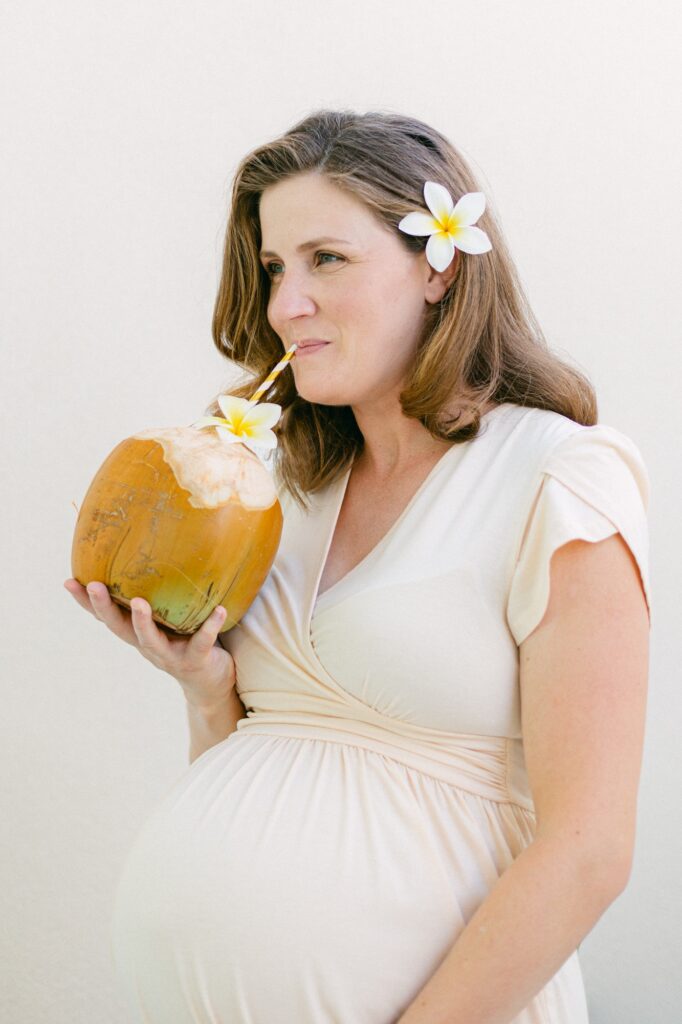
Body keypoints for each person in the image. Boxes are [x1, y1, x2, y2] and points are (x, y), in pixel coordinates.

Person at [65, 109, 651, 1023]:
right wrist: (208, 687)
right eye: (272, 268)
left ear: (437, 264)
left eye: (325, 260)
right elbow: (267, 761)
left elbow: (589, 853)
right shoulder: (281, 491)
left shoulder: (557, 477)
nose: (284, 304)